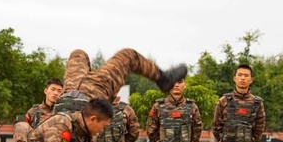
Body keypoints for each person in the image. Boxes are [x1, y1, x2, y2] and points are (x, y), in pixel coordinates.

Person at [54, 48, 188, 113]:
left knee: (78, 54)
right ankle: (163, 79)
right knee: (128, 56)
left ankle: (93, 83)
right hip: (90, 95)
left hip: (70, 96)